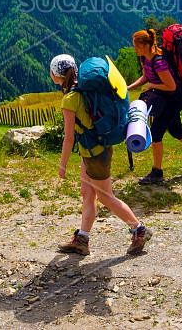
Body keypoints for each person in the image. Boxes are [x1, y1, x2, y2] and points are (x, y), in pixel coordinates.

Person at [50, 53, 152, 256]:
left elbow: (68, 138)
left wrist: (62, 167)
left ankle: (140, 230)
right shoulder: (82, 90)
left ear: (55, 75)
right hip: (94, 149)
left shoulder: (70, 98)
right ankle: (82, 240)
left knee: (106, 197)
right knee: (88, 195)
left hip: (95, 153)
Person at [128, 29, 182, 185]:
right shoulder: (146, 58)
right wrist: (130, 87)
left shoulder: (159, 61)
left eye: (137, 46)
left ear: (147, 45)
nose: (135, 49)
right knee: (176, 131)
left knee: (155, 133)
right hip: (167, 98)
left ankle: (157, 172)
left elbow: (171, 86)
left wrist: (152, 85)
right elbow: (146, 75)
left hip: (174, 98)